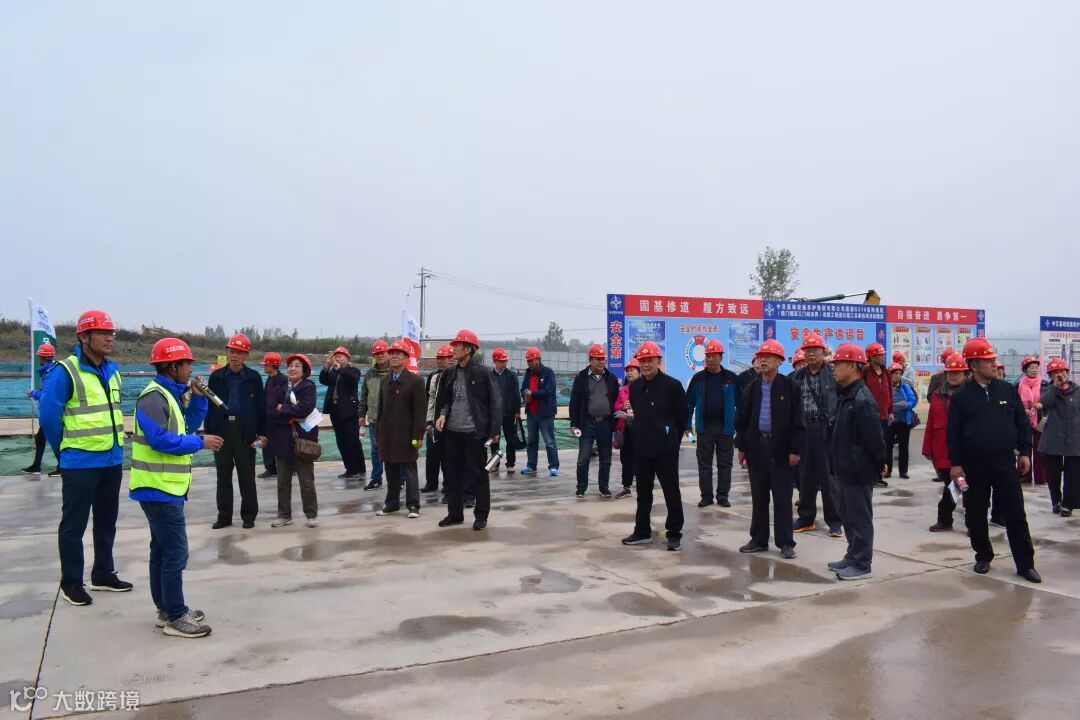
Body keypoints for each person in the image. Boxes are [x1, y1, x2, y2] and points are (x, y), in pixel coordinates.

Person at [129, 338, 222, 638]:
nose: (190, 369)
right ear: (173, 366)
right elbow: (160, 440)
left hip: (165, 487)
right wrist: (201, 442)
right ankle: (175, 616)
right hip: (158, 488)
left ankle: (166, 608)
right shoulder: (153, 398)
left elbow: (186, 426)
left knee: (162, 550)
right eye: (187, 364)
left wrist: (199, 399)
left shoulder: (169, 396)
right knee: (175, 553)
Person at [39, 310, 131, 606]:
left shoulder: (112, 371)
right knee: (73, 526)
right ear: (83, 337)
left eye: (110, 332)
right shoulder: (65, 371)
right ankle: (71, 583)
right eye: (102, 333)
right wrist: (65, 452)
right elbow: (49, 417)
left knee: (106, 522)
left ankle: (103, 573)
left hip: (111, 461)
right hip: (79, 463)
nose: (109, 338)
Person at [947, 338, 1041, 583]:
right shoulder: (962, 396)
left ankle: (1025, 564)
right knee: (975, 513)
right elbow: (953, 433)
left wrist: (1024, 452)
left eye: (993, 359)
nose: (993, 364)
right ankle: (983, 555)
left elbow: (1022, 424)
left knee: (1015, 512)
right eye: (988, 360)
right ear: (974, 365)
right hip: (974, 465)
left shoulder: (1007, 390)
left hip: (1004, 462)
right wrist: (955, 464)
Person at [735, 340, 804, 559]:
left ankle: (785, 542)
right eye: (760, 356)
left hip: (781, 450)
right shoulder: (751, 388)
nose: (763, 360)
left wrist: (795, 449)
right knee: (759, 496)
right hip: (757, 448)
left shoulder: (791, 387)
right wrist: (742, 447)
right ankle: (758, 539)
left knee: (782, 497)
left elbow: (798, 420)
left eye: (768, 356)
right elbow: (742, 420)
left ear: (779, 361)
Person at [620, 341, 688, 551]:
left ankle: (674, 534)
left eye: (650, 360)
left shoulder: (672, 386)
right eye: (642, 361)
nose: (646, 364)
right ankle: (642, 531)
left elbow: (682, 417)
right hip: (643, 448)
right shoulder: (635, 388)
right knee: (643, 493)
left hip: (666, 450)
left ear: (659, 361)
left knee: (671, 491)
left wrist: (673, 441)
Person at [827, 344, 887, 581]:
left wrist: (880, 463)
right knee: (848, 515)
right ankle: (852, 555)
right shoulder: (846, 395)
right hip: (845, 468)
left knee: (860, 518)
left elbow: (874, 438)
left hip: (858, 469)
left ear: (852, 366)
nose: (834, 369)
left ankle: (862, 563)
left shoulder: (862, 398)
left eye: (838, 364)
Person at [434, 329, 502, 531]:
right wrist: (442, 414)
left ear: (469, 350)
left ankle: (481, 516)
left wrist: (494, 431)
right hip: (452, 432)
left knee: (479, 475)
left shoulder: (483, 373)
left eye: (458, 345)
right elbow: (445, 399)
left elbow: (495, 402)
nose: (454, 349)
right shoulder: (449, 373)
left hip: (475, 433)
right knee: (452, 475)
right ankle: (455, 514)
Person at [205, 334, 267, 530]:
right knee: (223, 475)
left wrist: (262, 433)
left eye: (239, 352)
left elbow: (261, 407)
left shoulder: (253, 378)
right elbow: (210, 406)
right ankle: (224, 516)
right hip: (221, 430)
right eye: (232, 351)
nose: (234, 356)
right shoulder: (217, 376)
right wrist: (209, 432)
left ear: (246, 355)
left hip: (244, 430)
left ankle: (249, 515)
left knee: (246, 475)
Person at [791, 333, 842, 536]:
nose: (811, 354)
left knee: (829, 477)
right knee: (805, 477)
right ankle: (806, 518)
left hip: (826, 430)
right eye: (808, 351)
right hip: (804, 430)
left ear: (823, 352)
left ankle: (835, 521)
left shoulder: (833, 373)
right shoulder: (797, 376)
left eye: (815, 350)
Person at [374, 340, 428, 519]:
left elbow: (420, 412)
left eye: (399, 354)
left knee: (409, 470)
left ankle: (413, 505)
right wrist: (378, 433)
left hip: (407, 435)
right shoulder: (385, 381)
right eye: (392, 353)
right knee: (390, 469)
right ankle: (392, 503)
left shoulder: (416, 381)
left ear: (406, 358)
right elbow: (380, 410)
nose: (394, 356)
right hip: (387, 434)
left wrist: (417, 436)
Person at [685, 339, 738, 509]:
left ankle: (723, 496)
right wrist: (687, 425)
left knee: (725, 464)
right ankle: (706, 497)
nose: (710, 359)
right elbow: (689, 404)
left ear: (721, 357)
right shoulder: (698, 379)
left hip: (726, 429)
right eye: (708, 356)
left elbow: (741, 404)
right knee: (704, 465)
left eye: (714, 356)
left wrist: (739, 427)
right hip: (704, 429)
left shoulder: (731, 378)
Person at [269, 355, 320, 528]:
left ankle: (311, 515)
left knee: (306, 481)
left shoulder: (309, 387)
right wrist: (291, 413)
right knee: (282, 482)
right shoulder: (280, 388)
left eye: (297, 366)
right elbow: (272, 411)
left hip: (303, 439)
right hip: (282, 439)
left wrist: (283, 408)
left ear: (304, 370)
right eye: (290, 365)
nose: (292, 369)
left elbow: (305, 409)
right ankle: (284, 515)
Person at [925, 354, 969, 532]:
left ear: (965, 373)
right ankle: (946, 520)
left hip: (966, 449)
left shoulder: (971, 393)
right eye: (950, 372)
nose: (952, 375)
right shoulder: (938, 395)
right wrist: (927, 447)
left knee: (964, 486)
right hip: (943, 449)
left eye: (956, 372)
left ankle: (969, 522)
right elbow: (930, 421)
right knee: (953, 485)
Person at [569, 344, 619, 499]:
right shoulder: (581, 378)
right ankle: (581, 488)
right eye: (598, 359)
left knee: (606, 459)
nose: (601, 362)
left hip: (605, 424)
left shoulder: (611, 379)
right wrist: (574, 424)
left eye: (603, 359)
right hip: (587, 424)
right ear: (590, 360)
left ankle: (604, 488)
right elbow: (574, 402)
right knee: (583, 459)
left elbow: (615, 400)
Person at [1037, 358, 1080, 516]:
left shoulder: (1078, 391)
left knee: (1073, 474)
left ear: (1067, 372)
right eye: (1055, 373)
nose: (1059, 375)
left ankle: (1068, 504)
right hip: (1053, 437)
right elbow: (1043, 403)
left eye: (1062, 371)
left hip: (1074, 438)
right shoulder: (1048, 390)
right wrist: (1055, 387)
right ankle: (1056, 501)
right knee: (1052, 473)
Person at [320, 346, 366, 486]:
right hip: (335, 410)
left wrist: (341, 369)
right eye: (336, 356)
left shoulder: (353, 370)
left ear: (347, 358)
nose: (337, 358)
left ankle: (360, 469)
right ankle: (350, 469)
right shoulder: (334, 371)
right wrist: (326, 368)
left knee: (353, 441)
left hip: (349, 411)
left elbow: (352, 380)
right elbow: (323, 380)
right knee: (341, 441)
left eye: (340, 356)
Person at [520, 347, 559, 477]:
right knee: (531, 440)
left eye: (532, 360)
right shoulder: (528, 373)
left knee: (549, 441)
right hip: (531, 413)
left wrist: (533, 394)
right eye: (528, 361)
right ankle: (531, 465)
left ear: (538, 359)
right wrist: (525, 395)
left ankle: (553, 466)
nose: (530, 363)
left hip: (545, 413)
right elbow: (523, 388)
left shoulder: (548, 372)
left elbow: (548, 390)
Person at [23, 341, 60, 475]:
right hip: (51, 412)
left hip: (51, 413)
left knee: (53, 440)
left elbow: (47, 396)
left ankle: (60, 467)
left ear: (41, 357)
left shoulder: (50, 373)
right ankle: (37, 465)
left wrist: (33, 393)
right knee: (41, 438)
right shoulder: (51, 370)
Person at [422, 344, 454, 494]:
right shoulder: (433, 376)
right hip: (433, 421)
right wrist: (428, 421)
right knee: (431, 455)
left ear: (450, 359)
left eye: (443, 358)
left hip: (449, 422)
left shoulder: (455, 375)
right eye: (438, 358)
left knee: (448, 456)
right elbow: (429, 399)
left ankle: (448, 484)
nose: (440, 361)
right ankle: (431, 483)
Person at [359, 340, 390, 490]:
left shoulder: (394, 372)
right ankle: (376, 479)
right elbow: (364, 395)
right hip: (373, 419)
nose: (380, 356)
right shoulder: (369, 374)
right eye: (377, 353)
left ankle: (401, 480)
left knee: (394, 450)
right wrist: (361, 414)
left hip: (391, 419)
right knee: (375, 450)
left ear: (388, 353)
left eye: (382, 353)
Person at [862, 343, 893, 487]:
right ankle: (871, 476)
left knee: (882, 446)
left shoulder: (886, 372)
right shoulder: (865, 372)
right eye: (879, 355)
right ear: (871, 357)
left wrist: (891, 411)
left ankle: (879, 475)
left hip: (884, 416)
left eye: (883, 354)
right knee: (871, 446)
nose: (882, 357)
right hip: (869, 416)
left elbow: (889, 392)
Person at [489, 348, 522, 474]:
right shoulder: (490, 376)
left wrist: (517, 411)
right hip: (494, 414)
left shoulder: (511, 375)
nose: (504, 363)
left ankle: (510, 464)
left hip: (509, 413)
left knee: (510, 439)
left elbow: (516, 394)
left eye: (505, 361)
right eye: (501, 361)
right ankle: (495, 464)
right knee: (494, 440)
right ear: (495, 361)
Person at [613, 357, 640, 499]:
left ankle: (643, 487)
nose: (629, 373)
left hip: (641, 429)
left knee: (642, 458)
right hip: (625, 428)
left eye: (632, 370)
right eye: (627, 371)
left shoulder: (645, 388)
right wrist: (622, 406)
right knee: (626, 458)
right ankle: (626, 487)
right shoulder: (623, 390)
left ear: (639, 372)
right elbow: (615, 407)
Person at [1016, 356, 1046, 486]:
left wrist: (1041, 405)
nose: (1035, 370)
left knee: (1040, 449)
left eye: (1036, 367)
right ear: (1025, 370)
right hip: (1024, 420)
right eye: (1032, 368)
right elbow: (1015, 403)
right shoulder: (1018, 385)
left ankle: (1041, 477)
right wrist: (1023, 411)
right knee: (1025, 447)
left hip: (1039, 420)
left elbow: (1049, 401)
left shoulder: (1044, 384)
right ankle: (1025, 475)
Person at [885, 363, 917, 479]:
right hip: (889, 421)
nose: (898, 376)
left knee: (903, 447)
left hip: (903, 421)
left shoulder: (905, 386)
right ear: (890, 375)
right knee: (887, 447)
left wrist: (907, 404)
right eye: (895, 374)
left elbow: (913, 399)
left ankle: (903, 471)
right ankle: (887, 471)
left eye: (900, 374)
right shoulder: (885, 386)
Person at [258, 352, 286, 479]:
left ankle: (287, 467)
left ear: (272, 365)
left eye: (266, 364)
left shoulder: (283, 381)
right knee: (267, 443)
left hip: (279, 417)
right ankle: (270, 468)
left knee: (282, 443)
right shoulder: (269, 379)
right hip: (268, 417)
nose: (264, 366)